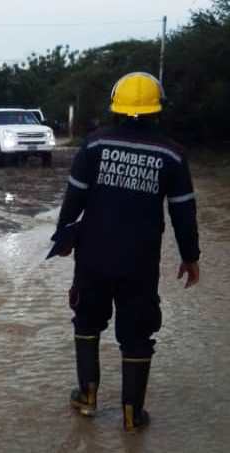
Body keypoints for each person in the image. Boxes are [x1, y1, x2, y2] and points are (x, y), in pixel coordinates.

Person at [53, 72, 200, 433]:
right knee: (137, 334)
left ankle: (87, 397)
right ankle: (133, 415)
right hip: (140, 262)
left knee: (87, 321)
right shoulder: (172, 155)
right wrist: (190, 256)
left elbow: (74, 199)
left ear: (115, 106)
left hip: (93, 257)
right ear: (157, 109)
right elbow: (183, 211)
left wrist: (62, 236)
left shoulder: (93, 146)